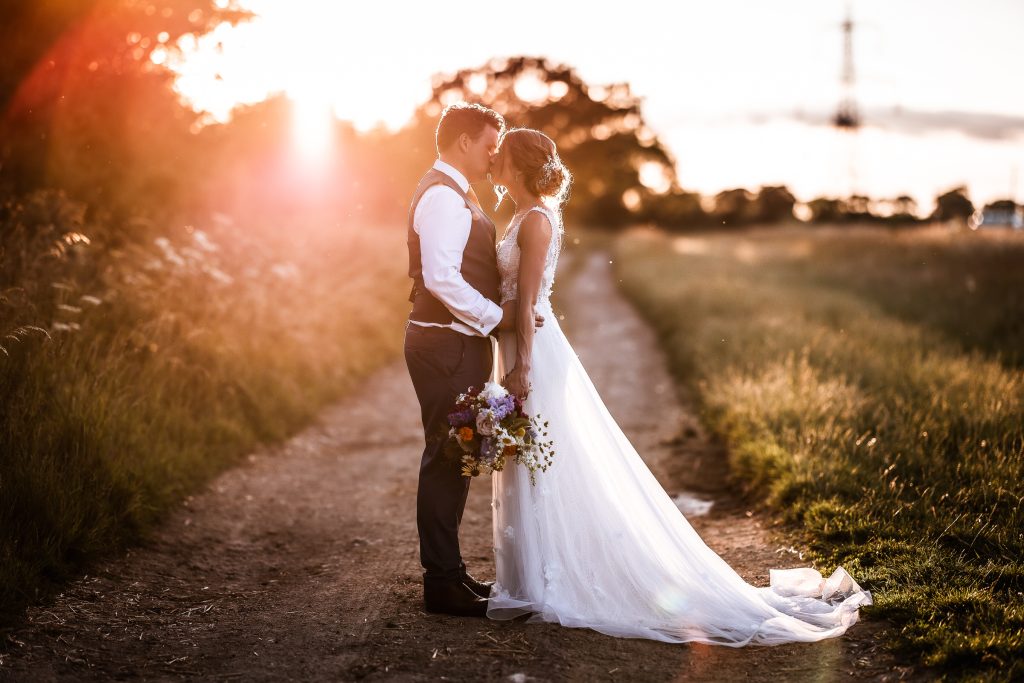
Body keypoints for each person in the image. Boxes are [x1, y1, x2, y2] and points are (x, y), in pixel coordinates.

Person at [485, 127, 872, 645]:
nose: (493, 161)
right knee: (531, 455)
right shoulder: (526, 213)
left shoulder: (534, 219)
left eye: (500, 155)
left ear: (517, 166)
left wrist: (520, 365)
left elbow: (530, 306)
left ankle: (548, 581)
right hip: (523, 345)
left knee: (539, 455)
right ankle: (531, 576)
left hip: (532, 350)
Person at [403, 103, 543, 618]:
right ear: (463, 142)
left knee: (454, 460)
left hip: (454, 342)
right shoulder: (441, 196)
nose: (493, 154)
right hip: (445, 342)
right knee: (445, 459)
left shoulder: (454, 191)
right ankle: (440, 583)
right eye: (488, 144)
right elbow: (441, 277)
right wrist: (498, 318)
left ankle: (452, 573)